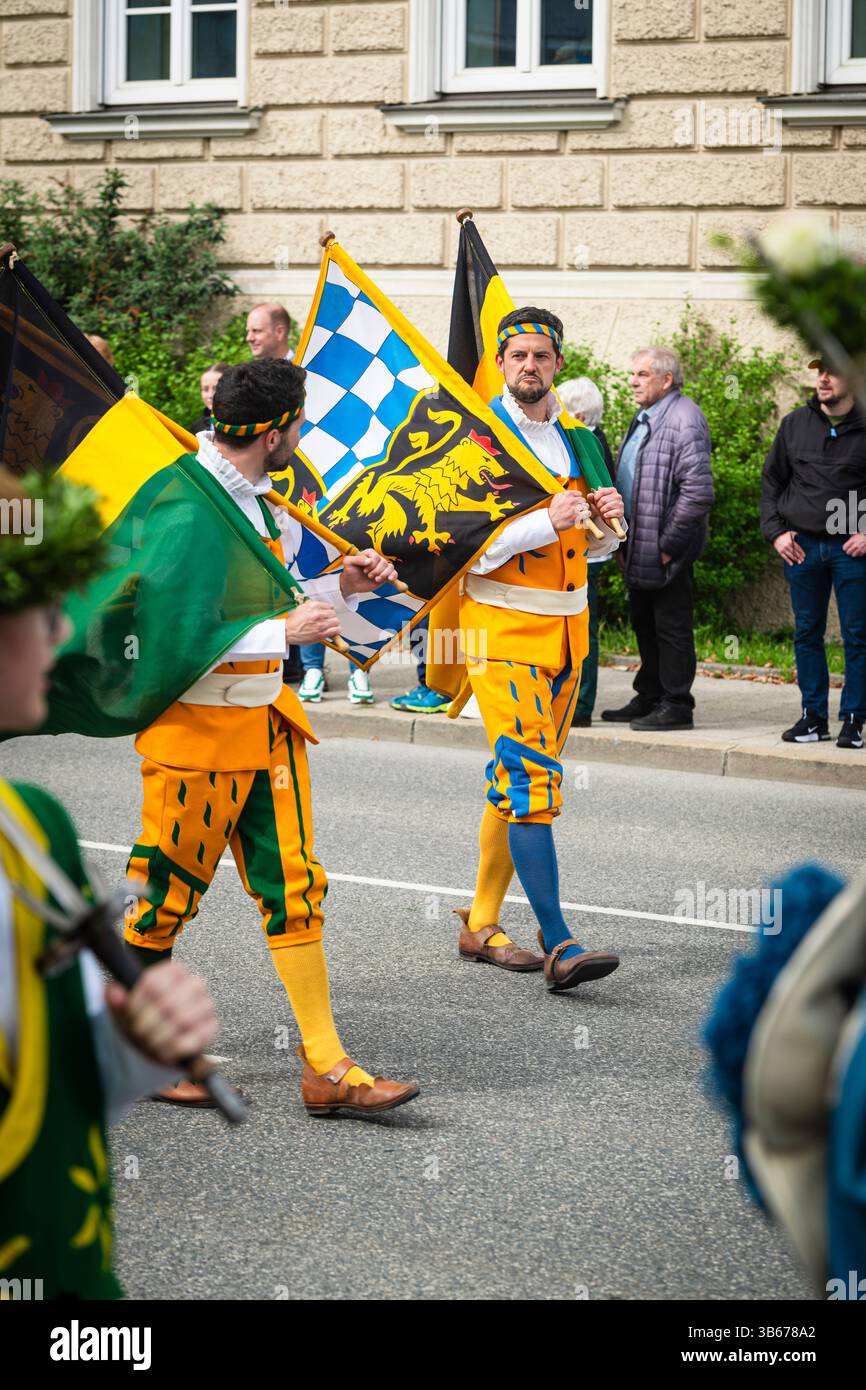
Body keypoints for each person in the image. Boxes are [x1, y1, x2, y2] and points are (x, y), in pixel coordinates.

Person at [122, 357, 420, 1116]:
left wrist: (343, 589)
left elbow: (280, 603)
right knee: (162, 898)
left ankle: (326, 1066)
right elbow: (168, 627)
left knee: (295, 887)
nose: (301, 434)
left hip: (269, 722)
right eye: (299, 422)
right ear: (276, 430)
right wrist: (280, 631)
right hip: (197, 730)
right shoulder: (186, 505)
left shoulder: (263, 503)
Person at [0, 466, 219, 1298]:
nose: (62, 636)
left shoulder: (34, 828)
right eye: (36, 608)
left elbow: (54, 1087)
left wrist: (134, 1049)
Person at [452, 307, 624, 991]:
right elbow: (457, 547)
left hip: (567, 636)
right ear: (500, 362)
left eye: (540, 356)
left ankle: (482, 923)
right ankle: (561, 942)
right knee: (529, 783)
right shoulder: (476, 440)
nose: (529, 365)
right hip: (500, 632)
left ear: (557, 362)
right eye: (517, 355)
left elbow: (599, 549)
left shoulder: (581, 438)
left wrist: (608, 525)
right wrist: (540, 524)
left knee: (514, 782)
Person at [601, 346, 713, 732]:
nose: (633, 381)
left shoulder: (684, 418)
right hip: (637, 545)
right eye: (633, 374)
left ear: (667, 380)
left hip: (665, 551)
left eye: (643, 374)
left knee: (671, 626)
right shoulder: (646, 416)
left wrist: (667, 546)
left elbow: (697, 492)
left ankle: (677, 703)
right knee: (644, 623)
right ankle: (650, 695)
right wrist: (621, 542)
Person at [760, 358, 866, 750]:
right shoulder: (794, 424)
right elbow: (772, 482)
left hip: (851, 549)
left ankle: (854, 719)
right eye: (819, 370)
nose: (823, 378)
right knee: (807, 633)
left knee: (858, 636)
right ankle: (813, 717)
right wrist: (776, 534)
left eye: (833, 370)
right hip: (801, 547)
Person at [557, 376, 615, 728]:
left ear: (577, 411)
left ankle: (581, 703)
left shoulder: (586, 442)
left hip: (588, 551)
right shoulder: (592, 438)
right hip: (588, 549)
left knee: (582, 627)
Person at [189, 361, 230, 436]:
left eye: (216, 388)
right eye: (205, 389)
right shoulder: (197, 427)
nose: (210, 395)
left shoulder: (241, 424)